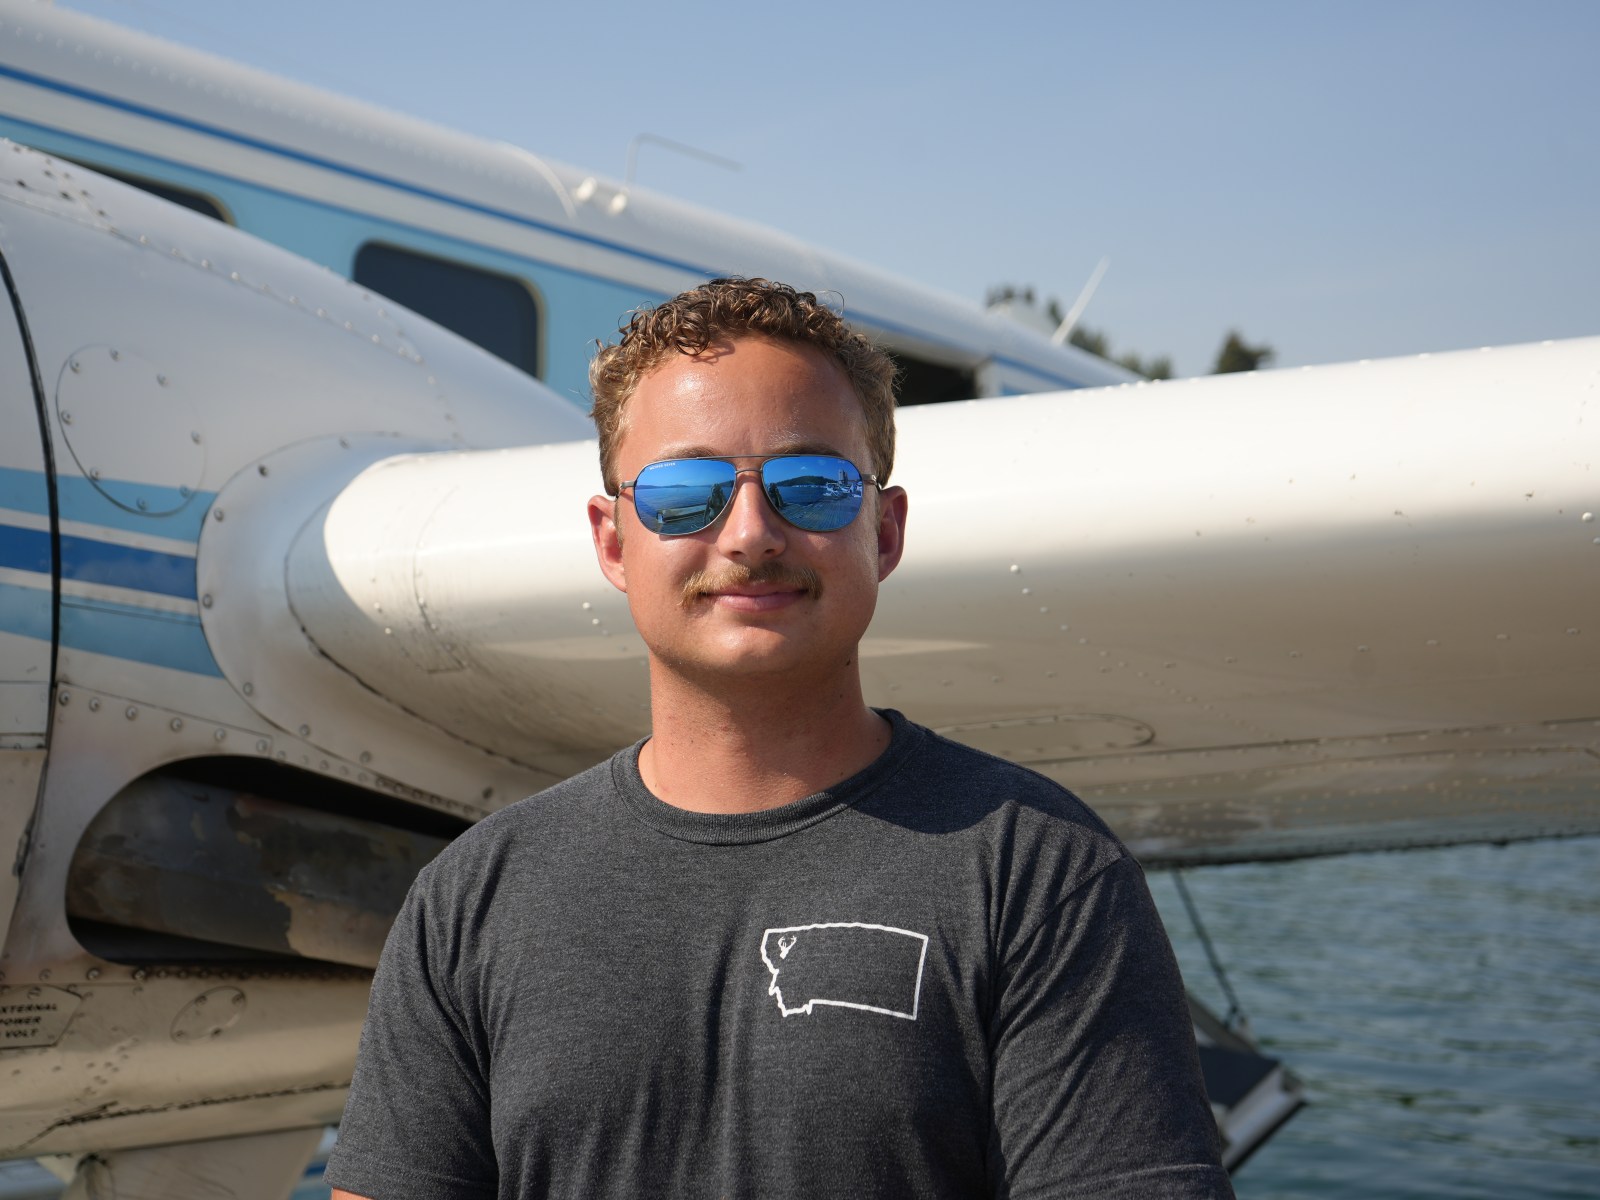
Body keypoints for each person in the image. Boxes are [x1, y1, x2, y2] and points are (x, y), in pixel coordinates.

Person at [325, 278, 1232, 1199]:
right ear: (611, 540)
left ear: (884, 530)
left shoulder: (1040, 873)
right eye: (686, 493)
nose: (752, 532)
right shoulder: (468, 902)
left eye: (813, 487)